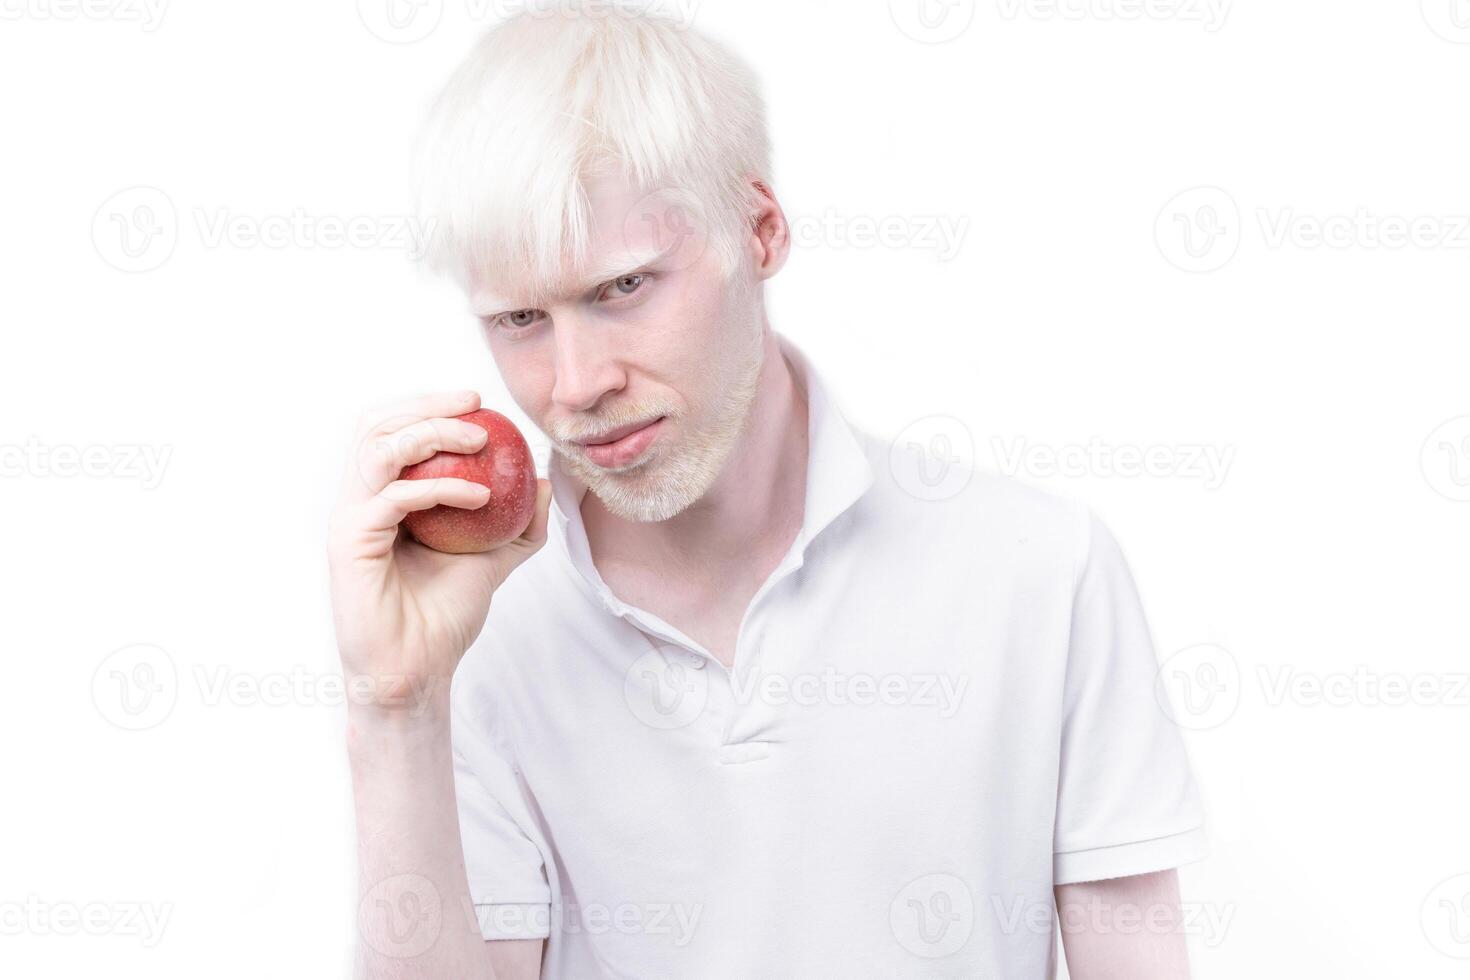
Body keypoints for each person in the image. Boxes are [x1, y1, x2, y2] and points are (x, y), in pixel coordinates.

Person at [329, 5, 1207, 977]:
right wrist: (397, 705)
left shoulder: (1043, 571)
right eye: (521, 317)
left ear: (761, 228)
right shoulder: (476, 635)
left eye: (623, 287)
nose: (575, 384)